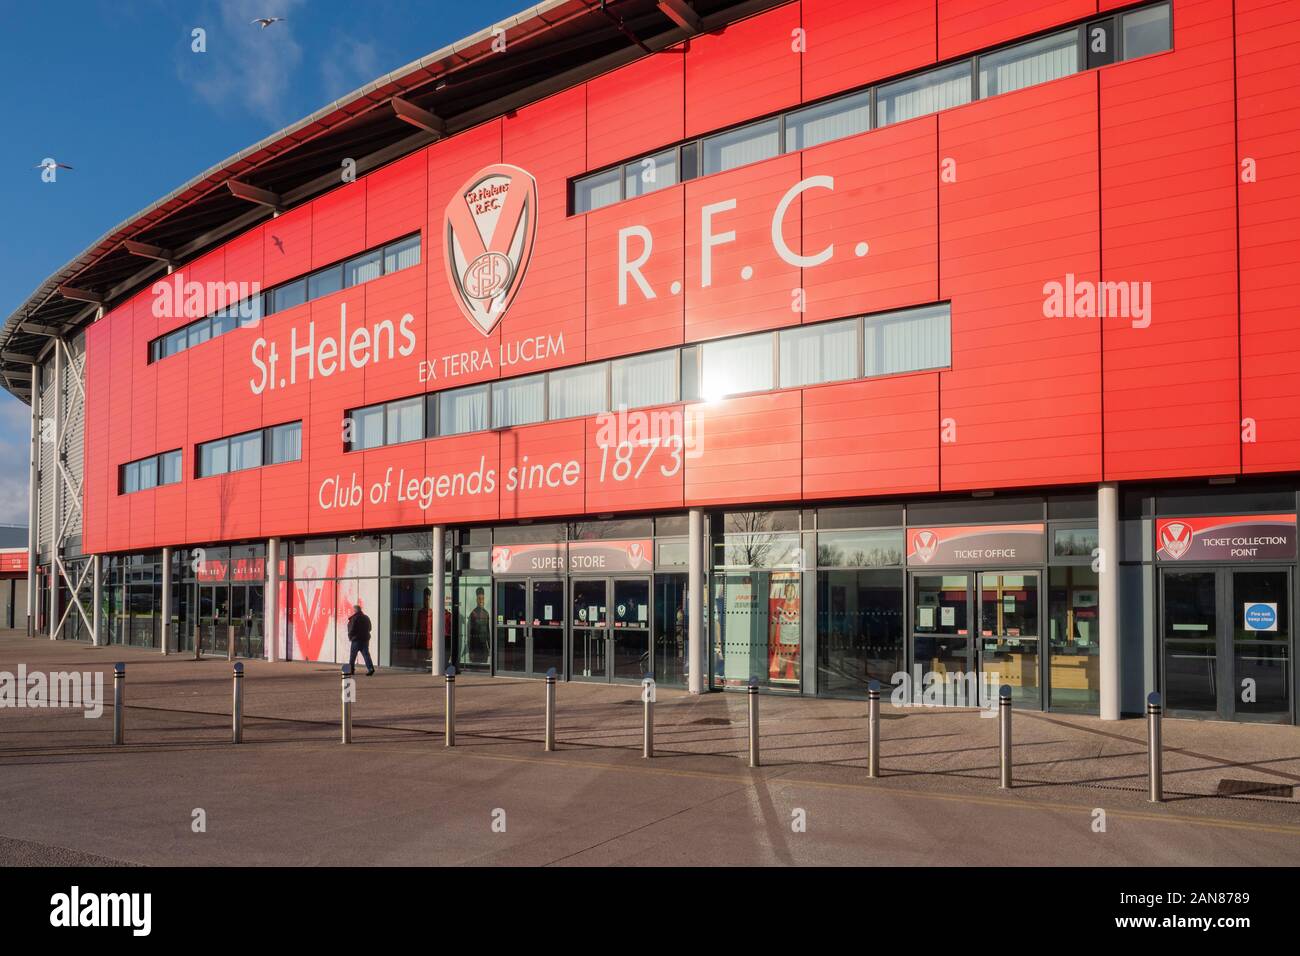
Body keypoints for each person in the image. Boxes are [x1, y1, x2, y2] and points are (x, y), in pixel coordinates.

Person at [346, 603, 375, 676]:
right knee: (366, 655)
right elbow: (370, 628)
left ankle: (351, 670)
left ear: (355, 610)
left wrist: (350, 637)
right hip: (365, 639)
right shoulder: (366, 617)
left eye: (353, 610)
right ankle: (370, 668)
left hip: (356, 640)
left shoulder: (354, 618)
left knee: (352, 656)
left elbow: (351, 629)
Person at [467, 586, 490, 664]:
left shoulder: (486, 614)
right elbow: (469, 633)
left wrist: (490, 647)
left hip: (484, 648)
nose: (481, 601)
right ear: (476, 600)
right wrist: (470, 650)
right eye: (479, 599)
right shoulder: (473, 614)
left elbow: (488, 632)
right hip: (475, 647)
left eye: (482, 599)